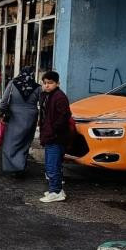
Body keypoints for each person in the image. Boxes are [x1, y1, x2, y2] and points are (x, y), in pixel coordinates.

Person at [0, 67, 42, 176]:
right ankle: (20, 166)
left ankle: (11, 167)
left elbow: (4, 101)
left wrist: (1, 114)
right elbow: (42, 103)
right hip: (30, 117)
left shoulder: (13, 84)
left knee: (10, 142)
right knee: (24, 142)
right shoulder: (37, 87)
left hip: (14, 116)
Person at [38, 70, 73, 203]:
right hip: (50, 135)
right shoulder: (47, 95)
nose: (47, 85)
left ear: (57, 83)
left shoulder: (59, 97)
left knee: (52, 166)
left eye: (50, 83)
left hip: (56, 137)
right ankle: (56, 189)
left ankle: (56, 191)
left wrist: (53, 130)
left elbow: (64, 116)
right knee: (51, 165)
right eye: (45, 83)